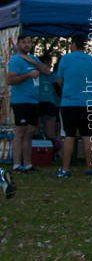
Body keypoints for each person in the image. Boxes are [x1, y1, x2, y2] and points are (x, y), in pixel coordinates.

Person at [55, 35, 92, 178]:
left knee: (69, 135)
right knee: (87, 136)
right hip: (87, 103)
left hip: (69, 102)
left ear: (73, 44)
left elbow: (59, 80)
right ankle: (89, 169)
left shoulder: (65, 59)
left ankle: (65, 169)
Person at [6, 34, 50, 173]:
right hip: (21, 100)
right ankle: (16, 164)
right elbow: (9, 80)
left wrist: (34, 62)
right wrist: (27, 76)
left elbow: (47, 71)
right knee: (20, 132)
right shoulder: (16, 60)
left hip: (33, 100)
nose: (26, 45)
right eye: (23, 42)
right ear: (18, 44)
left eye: (29, 42)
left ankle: (28, 164)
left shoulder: (33, 59)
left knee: (30, 131)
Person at [37, 54, 59, 145]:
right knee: (49, 133)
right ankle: (50, 155)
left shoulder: (35, 73)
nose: (51, 65)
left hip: (38, 103)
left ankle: (40, 154)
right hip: (46, 103)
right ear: (45, 62)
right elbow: (57, 89)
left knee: (36, 131)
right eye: (50, 62)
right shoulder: (51, 75)